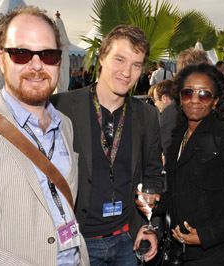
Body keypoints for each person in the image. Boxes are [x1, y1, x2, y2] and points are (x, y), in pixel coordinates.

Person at [0, 5, 89, 266]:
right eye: (20, 53)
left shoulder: (65, 125)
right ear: (0, 58)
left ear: (59, 60)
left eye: (48, 55)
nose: (37, 65)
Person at [51, 24, 164, 265]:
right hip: (77, 241)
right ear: (102, 57)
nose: (127, 72)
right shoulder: (62, 107)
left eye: (136, 65)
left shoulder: (147, 115)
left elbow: (153, 174)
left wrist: (148, 224)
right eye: (120, 60)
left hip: (126, 240)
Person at [138, 63, 224, 265]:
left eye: (204, 94)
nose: (195, 100)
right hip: (178, 250)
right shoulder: (178, 136)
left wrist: (208, 235)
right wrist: (157, 202)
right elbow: (176, 191)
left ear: (216, 101)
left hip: (214, 253)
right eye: (188, 93)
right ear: (180, 98)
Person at [153, 79, 175, 155]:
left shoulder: (168, 114)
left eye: (155, 100)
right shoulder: (183, 108)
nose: (155, 104)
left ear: (164, 98)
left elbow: (166, 147)